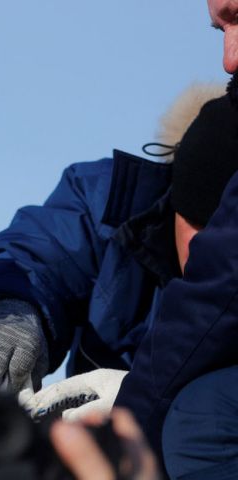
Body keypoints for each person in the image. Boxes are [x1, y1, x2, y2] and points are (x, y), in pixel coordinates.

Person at [0, 82, 227, 397]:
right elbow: (39, 253)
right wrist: (16, 309)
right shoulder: (112, 203)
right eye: (196, 219)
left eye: (224, 227)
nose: (204, 243)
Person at [113, 3, 238, 478]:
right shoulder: (113, 206)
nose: (228, 58)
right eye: (220, 28)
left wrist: (117, 442)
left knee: (205, 418)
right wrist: (14, 310)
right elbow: (44, 247)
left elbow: (221, 283)